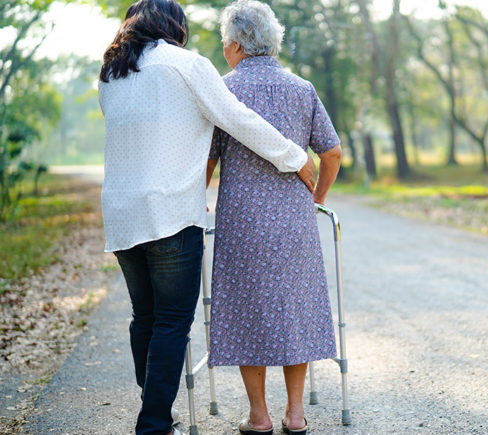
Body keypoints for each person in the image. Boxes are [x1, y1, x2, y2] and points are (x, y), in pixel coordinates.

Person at [98, 0, 316, 434]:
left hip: (122, 212)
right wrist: (295, 157)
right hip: (171, 211)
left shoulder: (111, 72)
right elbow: (236, 118)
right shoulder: (186, 64)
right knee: (172, 322)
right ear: (173, 25)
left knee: (145, 316)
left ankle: (158, 413)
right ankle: (155, 424)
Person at [205, 1, 342, 434]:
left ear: (236, 45)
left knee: (247, 308)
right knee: (294, 308)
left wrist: (198, 199)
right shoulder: (302, 88)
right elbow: (332, 152)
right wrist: (316, 197)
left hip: (241, 220)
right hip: (294, 220)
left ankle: (259, 416)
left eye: (225, 42)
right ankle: (296, 414)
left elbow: (206, 160)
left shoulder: (222, 90)